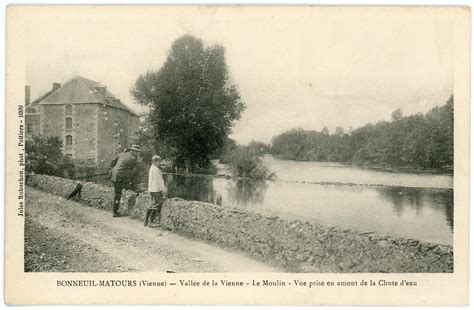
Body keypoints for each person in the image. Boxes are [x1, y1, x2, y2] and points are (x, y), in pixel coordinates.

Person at [108, 144, 141, 217]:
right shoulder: (133, 158)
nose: (137, 153)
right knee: (118, 194)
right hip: (120, 177)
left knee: (117, 193)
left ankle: (115, 210)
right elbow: (134, 172)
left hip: (114, 175)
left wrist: (115, 170)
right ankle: (115, 212)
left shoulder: (121, 154)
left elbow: (111, 163)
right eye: (137, 151)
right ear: (133, 151)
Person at [144, 155, 167, 226]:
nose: (159, 163)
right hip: (156, 189)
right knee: (157, 204)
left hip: (151, 189)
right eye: (159, 162)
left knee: (151, 205)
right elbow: (158, 181)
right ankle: (151, 221)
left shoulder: (151, 168)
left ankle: (146, 221)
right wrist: (163, 189)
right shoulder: (156, 169)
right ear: (155, 161)